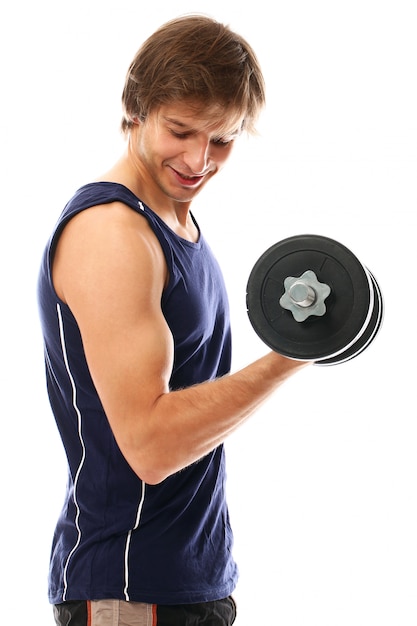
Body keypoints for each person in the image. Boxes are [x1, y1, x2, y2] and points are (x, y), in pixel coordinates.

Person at [37, 14, 306, 626]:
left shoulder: (174, 225)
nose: (199, 159)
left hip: (187, 582)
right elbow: (151, 446)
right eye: (181, 130)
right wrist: (288, 356)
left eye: (223, 140)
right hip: (132, 589)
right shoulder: (111, 233)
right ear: (136, 109)